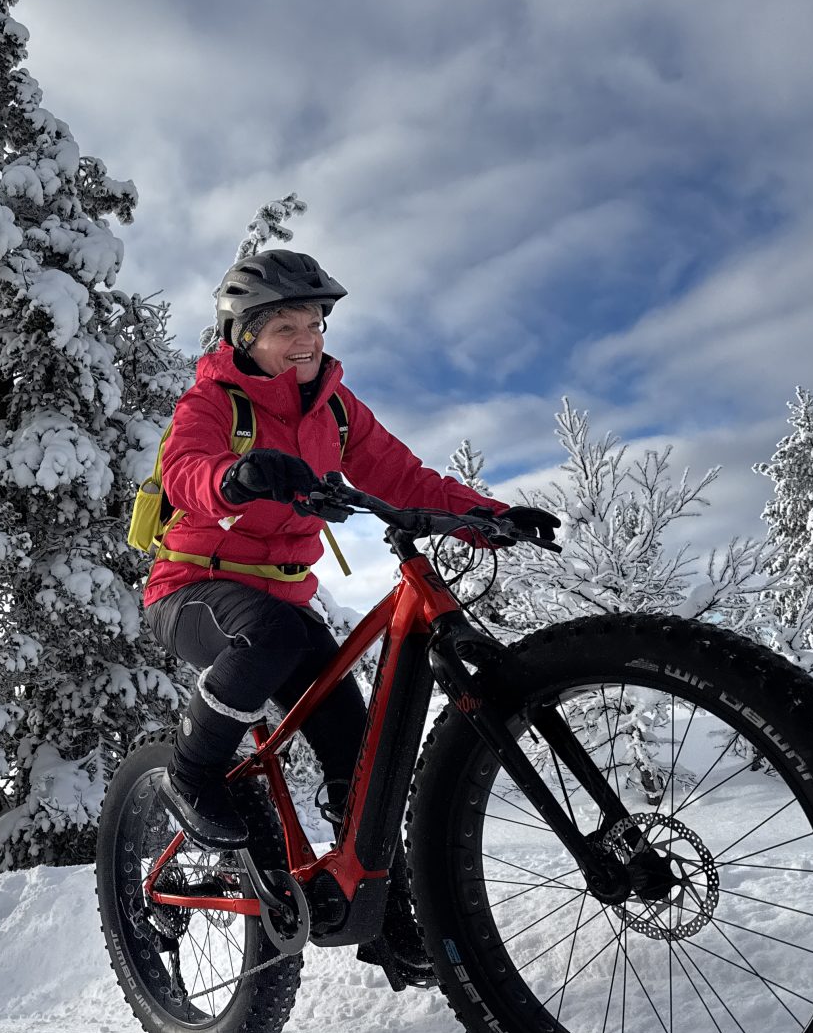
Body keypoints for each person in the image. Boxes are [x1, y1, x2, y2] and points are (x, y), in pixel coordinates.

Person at [147, 249, 558, 850]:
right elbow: (184, 469)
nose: (305, 341)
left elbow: (406, 479)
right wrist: (236, 477)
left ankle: (378, 910)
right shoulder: (213, 401)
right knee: (273, 636)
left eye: (314, 324)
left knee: (360, 756)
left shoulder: (336, 409)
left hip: (285, 603)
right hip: (190, 590)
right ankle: (189, 773)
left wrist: (491, 518)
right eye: (285, 327)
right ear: (245, 337)